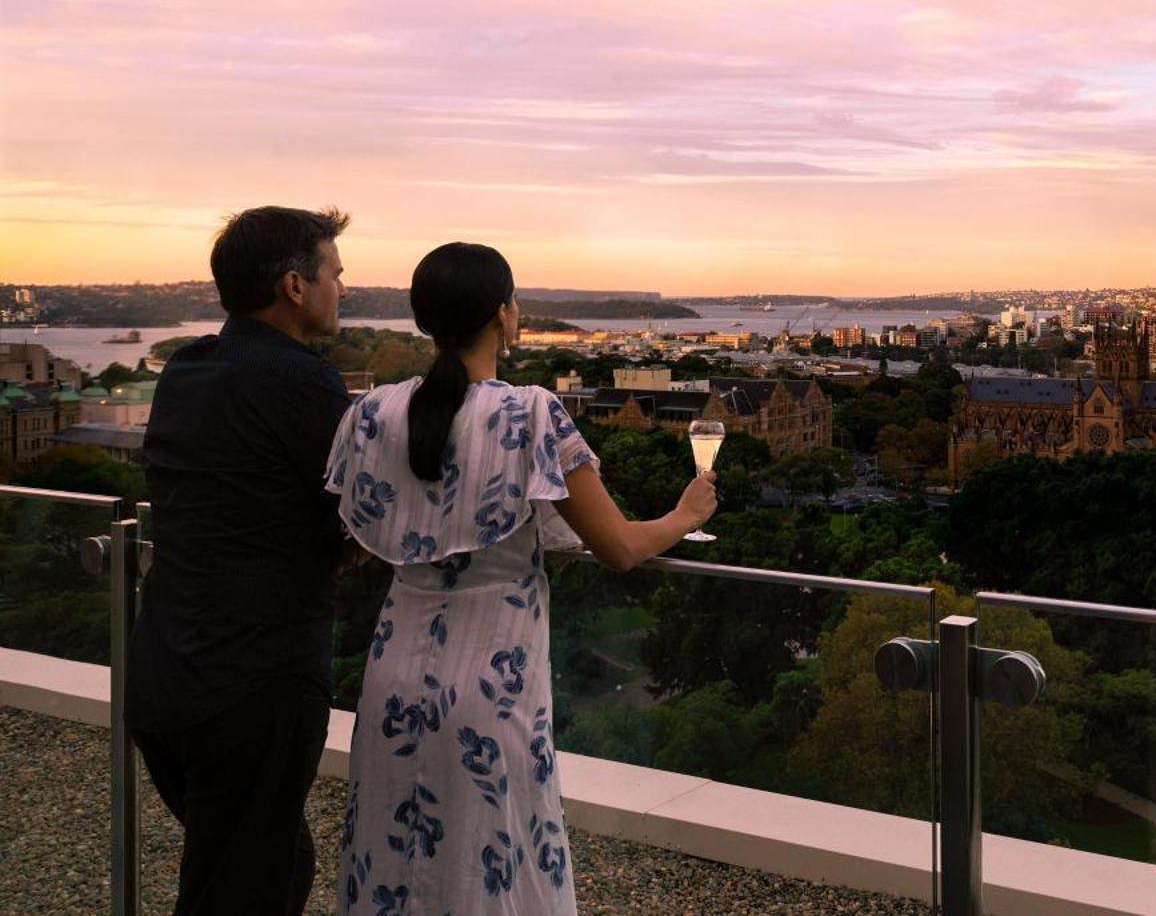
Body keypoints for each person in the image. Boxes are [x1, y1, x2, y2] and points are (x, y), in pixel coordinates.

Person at [326, 242, 715, 915]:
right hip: (492, 685)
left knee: (393, 858)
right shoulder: (529, 414)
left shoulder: (372, 413)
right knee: (494, 857)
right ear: (504, 315)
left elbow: (356, 539)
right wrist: (685, 513)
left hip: (390, 679)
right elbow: (620, 547)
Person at [128, 205, 354, 916]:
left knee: (267, 863)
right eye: (334, 274)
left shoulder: (186, 369)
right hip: (253, 682)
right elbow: (359, 516)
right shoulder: (303, 381)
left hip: (164, 672)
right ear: (294, 285)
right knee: (238, 889)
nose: (341, 288)